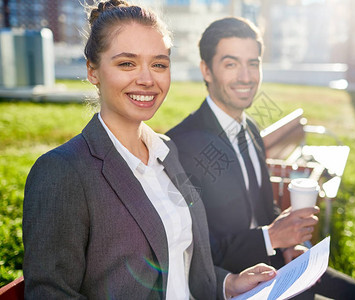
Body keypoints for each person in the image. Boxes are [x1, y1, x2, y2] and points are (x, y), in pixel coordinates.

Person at [22, 2, 276, 299]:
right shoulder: (63, 172)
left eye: (159, 64)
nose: (147, 79)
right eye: (127, 63)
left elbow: (181, 260)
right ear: (93, 71)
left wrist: (227, 284)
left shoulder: (166, 151)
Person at [166, 17, 355, 299]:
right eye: (231, 64)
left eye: (253, 63)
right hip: (236, 284)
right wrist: (271, 237)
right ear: (206, 70)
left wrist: (288, 245)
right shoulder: (182, 145)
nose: (246, 76)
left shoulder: (251, 128)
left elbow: (262, 207)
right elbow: (196, 250)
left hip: (280, 265)